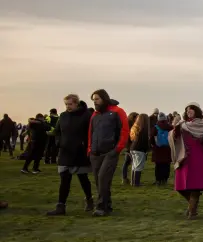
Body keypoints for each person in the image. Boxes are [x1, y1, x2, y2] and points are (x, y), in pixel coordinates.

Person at [46, 94, 95, 215]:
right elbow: (57, 132)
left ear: (76, 103)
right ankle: (60, 206)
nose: (68, 106)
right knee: (64, 180)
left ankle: (89, 199)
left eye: (70, 104)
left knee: (83, 178)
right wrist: (59, 142)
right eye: (66, 104)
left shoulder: (86, 116)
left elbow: (91, 132)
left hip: (80, 153)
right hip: (65, 152)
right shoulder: (63, 116)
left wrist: (85, 145)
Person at [87, 89, 129, 217]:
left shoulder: (117, 112)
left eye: (97, 99)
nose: (95, 102)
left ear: (104, 98)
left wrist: (117, 149)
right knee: (99, 180)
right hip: (95, 153)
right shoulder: (95, 115)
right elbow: (91, 132)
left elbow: (124, 130)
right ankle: (107, 205)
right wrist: (89, 149)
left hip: (110, 152)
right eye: (94, 100)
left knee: (103, 178)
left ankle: (101, 207)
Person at [171, 103, 203, 220]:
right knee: (180, 186)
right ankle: (192, 204)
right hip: (185, 157)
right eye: (187, 110)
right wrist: (175, 130)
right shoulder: (183, 125)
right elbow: (174, 137)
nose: (188, 111)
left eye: (191, 109)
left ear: (196, 111)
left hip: (198, 157)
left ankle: (192, 211)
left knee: (195, 185)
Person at [151, 112, 173, 185]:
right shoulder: (170, 127)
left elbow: (151, 138)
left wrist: (153, 145)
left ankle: (158, 180)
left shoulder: (155, 127)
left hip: (158, 149)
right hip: (167, 148)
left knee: (158, 165)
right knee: (166, 165)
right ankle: (165, 179)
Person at [129, 113, 151, 186]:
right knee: (138, 166)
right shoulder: (144, 129)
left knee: (134, 165)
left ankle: (133, 182)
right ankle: (136, 183)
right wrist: (147, 149)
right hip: (139, 149)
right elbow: (145, 141)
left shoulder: (135, 127)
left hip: (133, 147)